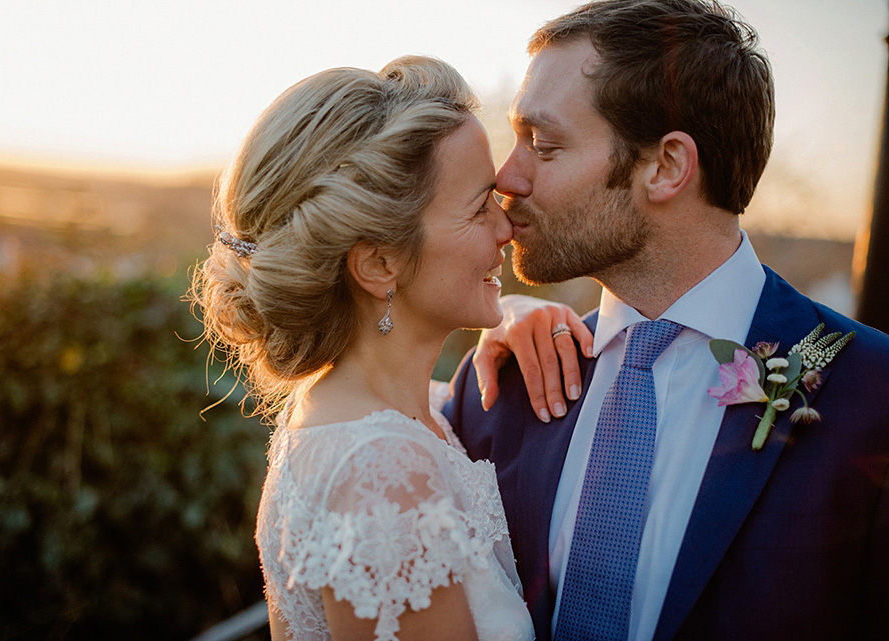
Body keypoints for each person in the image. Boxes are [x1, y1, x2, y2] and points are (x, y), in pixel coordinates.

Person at [443, 1, 889, 640]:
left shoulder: (874, 396)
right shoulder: (499, 384)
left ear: (667, 167)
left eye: (542, 144)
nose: (506, 177)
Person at [190, 55, 590, 641]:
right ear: (380, 263)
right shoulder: (382, 476)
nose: (506, 229)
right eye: (479, 208)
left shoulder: (375, 416)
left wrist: (515, 315)